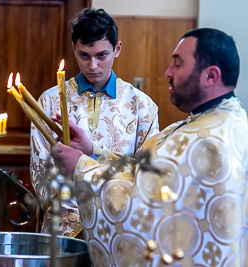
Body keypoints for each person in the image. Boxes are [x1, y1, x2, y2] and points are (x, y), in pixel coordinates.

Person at [52, 27, 248, 266]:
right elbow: (141, 173)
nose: (168, 72)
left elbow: (141, 210)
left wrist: (81, 167)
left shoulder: (207, 141)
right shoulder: (212, 122)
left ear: (211, 76)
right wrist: (92, 150)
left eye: (178, 64)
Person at [30, 8, 159, 237]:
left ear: (117, 49)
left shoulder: (142, 106)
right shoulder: (49, 101)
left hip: (119, 229)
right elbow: (41, 173)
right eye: (84, 55)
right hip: (63, 232)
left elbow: (146, 173)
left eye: (102, 55)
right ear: (74, 49)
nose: (93, 66)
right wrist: (77, 221)